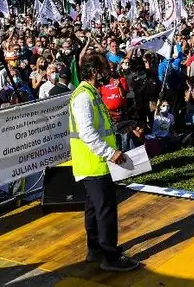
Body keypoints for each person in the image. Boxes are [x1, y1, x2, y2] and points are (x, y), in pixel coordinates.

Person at [68, 53, 140, 272]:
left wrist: (121, 128)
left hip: (94, 162)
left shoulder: (91, 93)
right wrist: (110, 153)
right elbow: (87, 132)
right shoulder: (83, 96)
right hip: (95, 162)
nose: (109, 73)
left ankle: (95, 249)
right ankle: (110, 256)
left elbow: (100, 127)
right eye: (105, 69)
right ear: (94, 72)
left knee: (93, 208)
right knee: (105, 209)